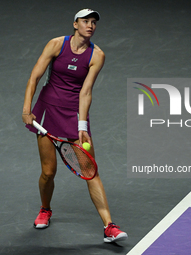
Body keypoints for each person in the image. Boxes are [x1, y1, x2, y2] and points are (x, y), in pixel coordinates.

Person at [22, 9, 127, 243]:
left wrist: (82, 125)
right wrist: (27, 109)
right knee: (48, 173)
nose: (90, 25)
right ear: (75, 24)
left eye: (94, 22)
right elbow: (34, 77)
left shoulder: (96, 55)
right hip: (47, 112)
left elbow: (86, 91)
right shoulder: (57, 44)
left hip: (73, 116)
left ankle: (109, 226)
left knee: (91, 171)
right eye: (85, 21)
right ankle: (45, 209)